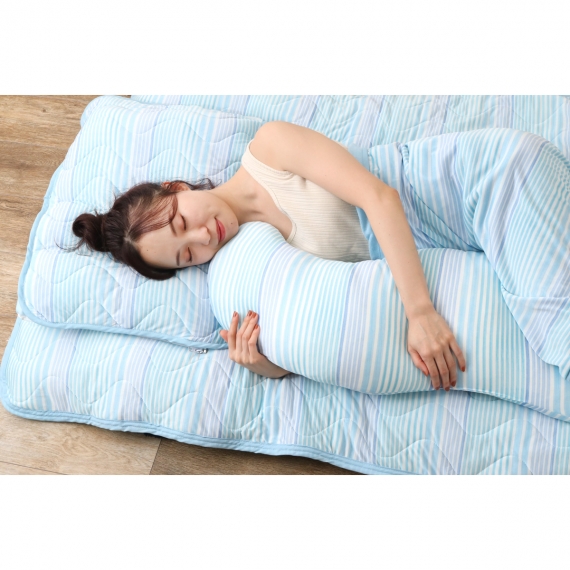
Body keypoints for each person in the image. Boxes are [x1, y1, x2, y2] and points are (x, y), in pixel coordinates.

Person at [70, 121, 471, 391]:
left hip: (454, 187)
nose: (203, 236)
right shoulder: (250, 266)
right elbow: (309, 340)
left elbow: (380, 197)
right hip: (447, 253)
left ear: (176, 188)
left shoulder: (270, 148)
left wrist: (420, 312)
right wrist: (265, 366)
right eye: (188, 254)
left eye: (182, 221)